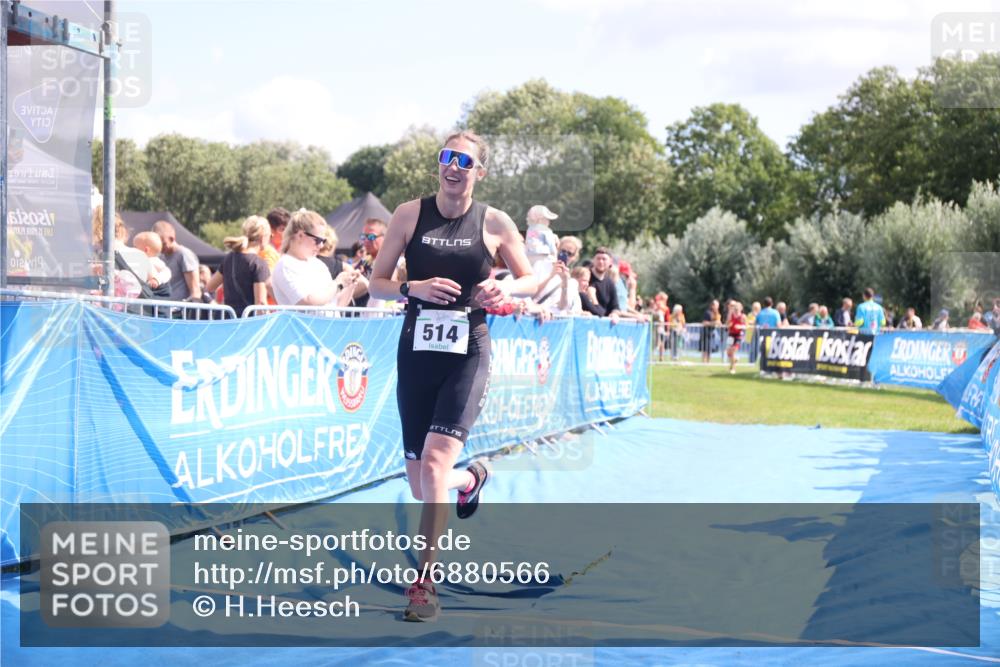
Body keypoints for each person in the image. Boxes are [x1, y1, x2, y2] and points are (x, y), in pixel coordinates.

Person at [366, 131, 537, 622]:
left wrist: (501, 285)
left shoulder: (494, 221)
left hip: (468, 352)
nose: (453, 166)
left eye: (464, 160)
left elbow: (530, 277)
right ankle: (473, 479)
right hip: (416, 353)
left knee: (436, 468)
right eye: (447, 157)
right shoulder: (408, 214)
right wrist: (410, 286)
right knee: (423, 485)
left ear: (479, 171)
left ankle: (424, 584)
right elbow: (377, 284)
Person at [271, 210, 361, 308]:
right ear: (300, 235)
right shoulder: (286, 265)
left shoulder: (318, 264)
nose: (321, 245)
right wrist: (337, 284)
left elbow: (336, 305)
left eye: (323, 241)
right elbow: (308, 301)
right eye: (317, 240)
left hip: (326, 323)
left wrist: (350, 285)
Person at [205, 216, 272, 317]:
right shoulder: (259, 264)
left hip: (229, 322)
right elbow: (261, 304)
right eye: (270, 236)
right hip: (248, 325)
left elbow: (210, 287)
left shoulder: (229, 258)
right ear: (263, 237)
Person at [153, 220, 201, 302]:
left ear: (172, 238)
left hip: (181, 309)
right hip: (165, 308)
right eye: (157, 243)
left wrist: (191, 311)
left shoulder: (185, 255)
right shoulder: (160, 257)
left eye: (163, 243)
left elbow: (195, 291)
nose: (160, 247)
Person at [524, 204, 559, 278]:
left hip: (531, 256)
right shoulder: (546, 230)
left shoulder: (531, 229)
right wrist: (555, 254)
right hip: (545, 258)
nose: (548, 222)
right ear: (540, 219)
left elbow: (530, 243)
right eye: (547, 219)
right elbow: (551, 245)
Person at [726, 301, 747, 374]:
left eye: (738, 308)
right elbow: (727, 323)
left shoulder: (743, 316)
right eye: (735, 308)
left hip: (738, 335)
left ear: (741, 309)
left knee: (733, 350)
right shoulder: (731, 315)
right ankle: (735, 360)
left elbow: (746, 326)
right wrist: (729, 325)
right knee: (729, 352)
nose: (736, 310)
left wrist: (740, 326)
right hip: (731, 335)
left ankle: (733, 368)